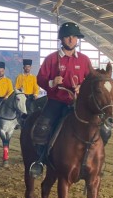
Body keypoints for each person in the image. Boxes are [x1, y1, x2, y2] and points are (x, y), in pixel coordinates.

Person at [29, 22, 92, 179]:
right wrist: (52, 82)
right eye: (68, 37)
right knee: (42, 127)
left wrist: (82, 87)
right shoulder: (52, 59)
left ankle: (94, 160)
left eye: (74, 37)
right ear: (61, 39)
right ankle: (41, 159)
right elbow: (40, 78)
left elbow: (91, 79)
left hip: (77, 103)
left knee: (99, 127)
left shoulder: (84, 60)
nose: (71, 39)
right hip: (56, 101)